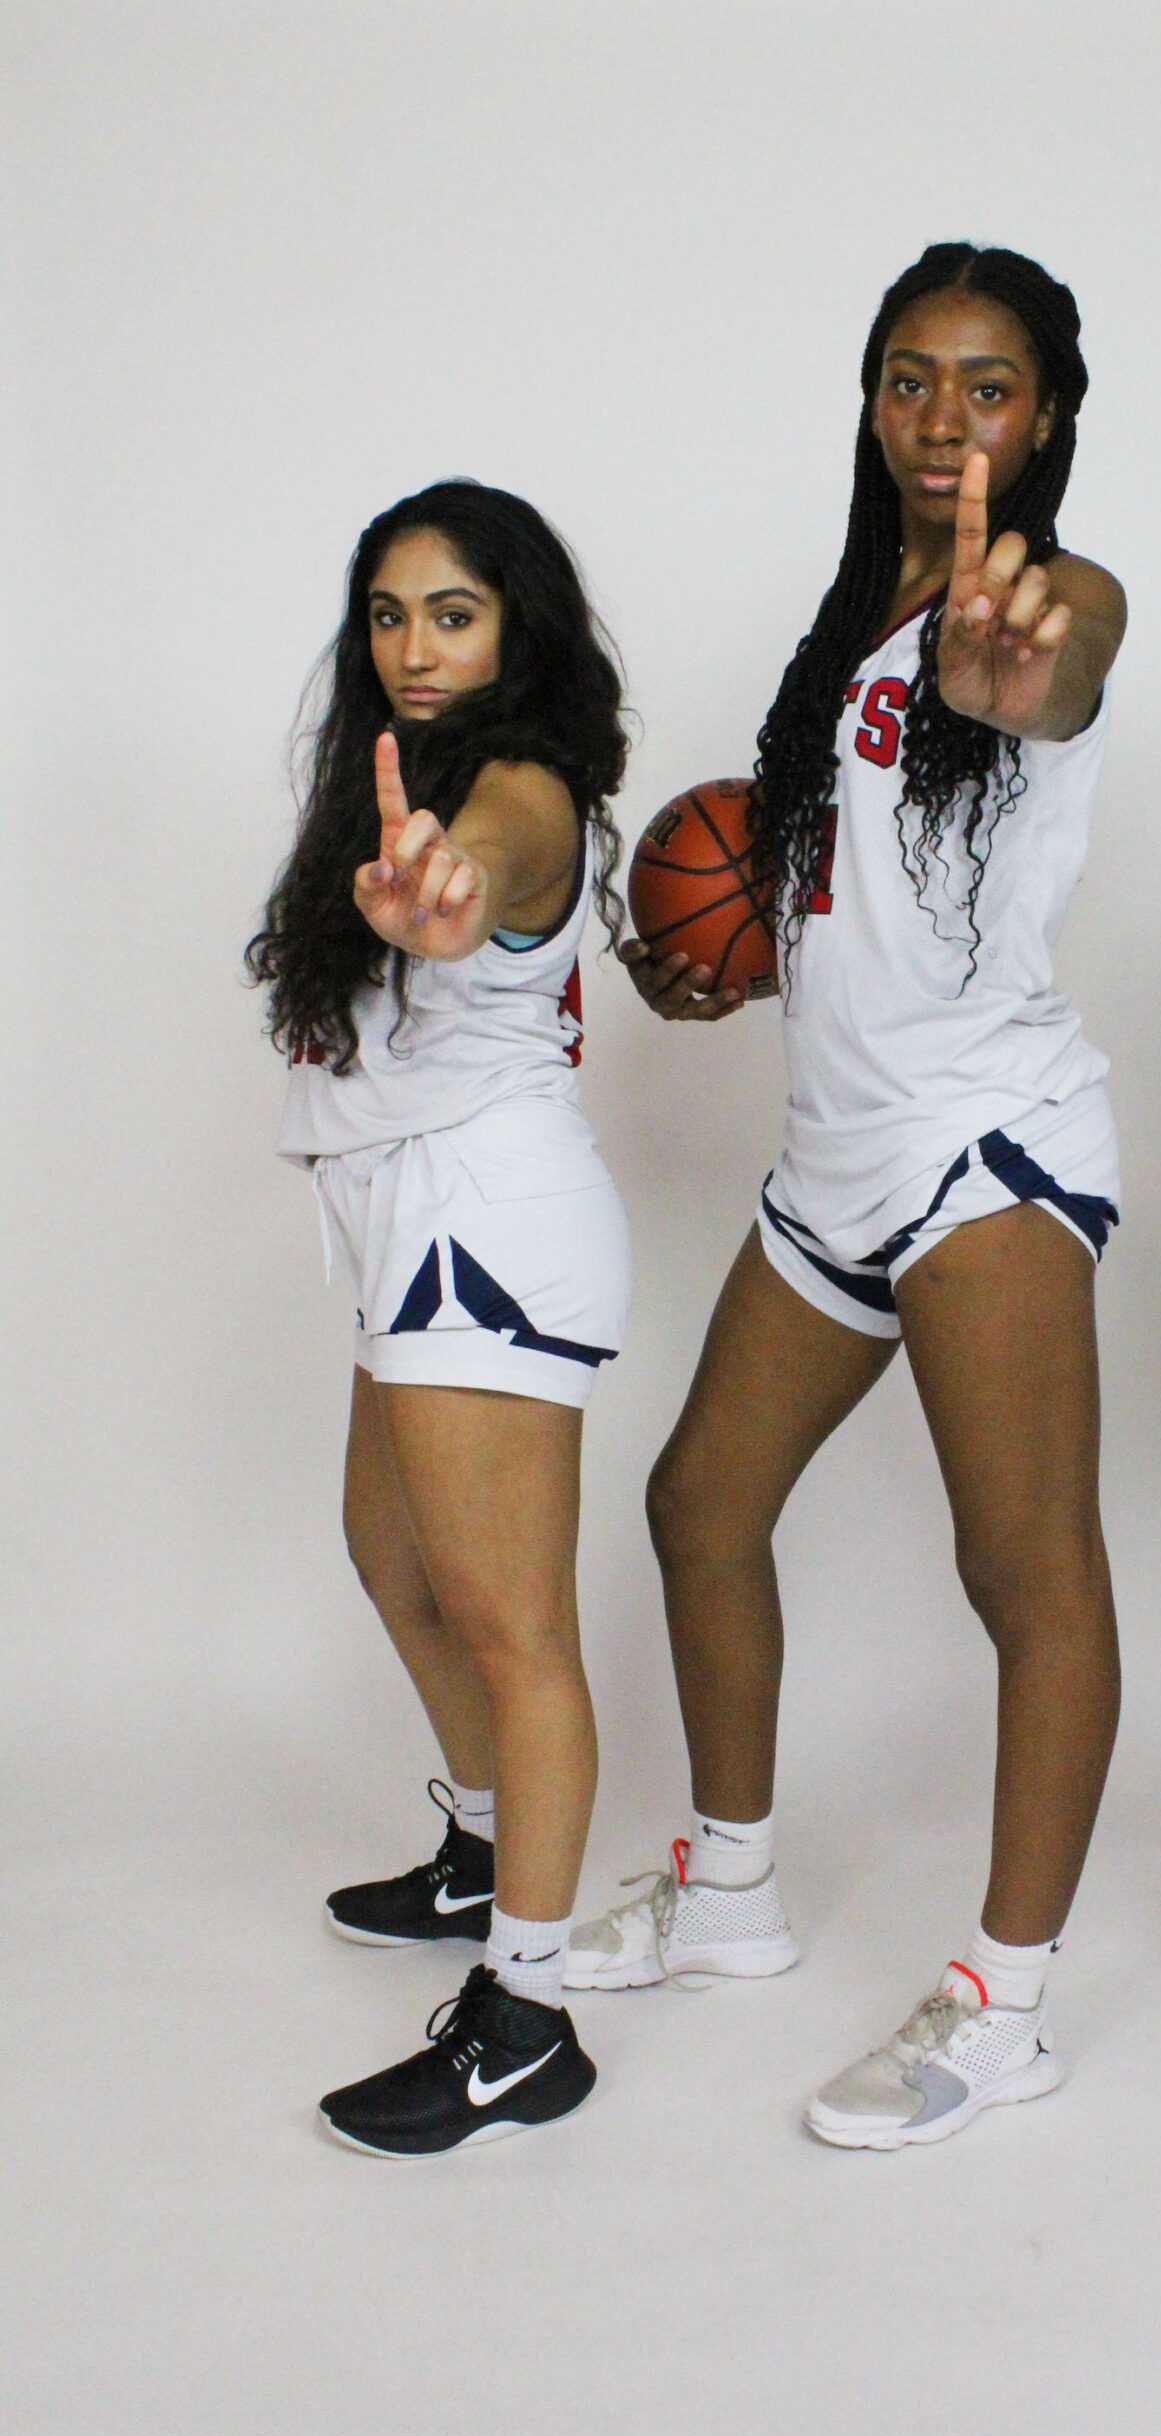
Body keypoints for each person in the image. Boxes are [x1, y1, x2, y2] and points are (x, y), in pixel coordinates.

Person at [565, 242, 1128, 2150]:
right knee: (698, 1503)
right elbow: (843, 910)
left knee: (1021, 1568)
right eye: (910, 379)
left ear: (1045, 415)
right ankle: (730, 1896)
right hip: (838, 1154)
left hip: (984, 1150)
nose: (944, 420)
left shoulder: (1046, 599)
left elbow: (1058, 664)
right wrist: (714, 959)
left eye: (986, 387)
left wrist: (1016, 653)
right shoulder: (840, 633)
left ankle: (1006, 2005)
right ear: (872, 401)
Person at [248, 481, 632, 2154]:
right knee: (391, 1558)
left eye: (453, 613)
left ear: (517, 627)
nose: (414, 648)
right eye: (390, 615)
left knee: (514, 1628)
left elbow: (508, 858)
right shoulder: (397, 777)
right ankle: (487, 1850)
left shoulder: (519, 786)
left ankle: (525, 2018)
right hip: (411, 1216)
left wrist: (459, 883)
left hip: (488, 1226)